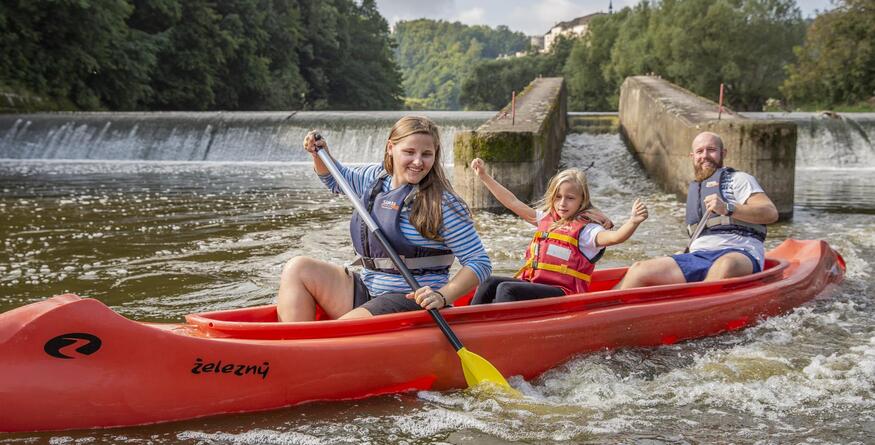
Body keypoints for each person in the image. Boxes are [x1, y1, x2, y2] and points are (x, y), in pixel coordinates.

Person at [276, 116, 491, 321]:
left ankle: (316, 348)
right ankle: (290, 348)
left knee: (338, 331)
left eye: (426, 154)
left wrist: (443, 296)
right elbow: (334, 179)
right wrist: (319, 154)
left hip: (411, 299)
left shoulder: (443, 203)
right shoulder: (376, 179)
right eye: (409, 152)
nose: (418, 161)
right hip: (369, 288)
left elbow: (479, 262)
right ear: (391, 148)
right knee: (298, 268)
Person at [469, 158, 648, 304]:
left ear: (582, 200)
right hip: (535, 286)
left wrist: (633, 222)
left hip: (564, 294)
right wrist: (484, 176)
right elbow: (512, 202)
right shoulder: (545, 219)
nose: (562, 203)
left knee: (505, 289)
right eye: (558, 197)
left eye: (570, 198)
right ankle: (469, 326)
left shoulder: (588, 231)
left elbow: (615, 237)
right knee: (488, 282)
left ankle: (501, 334)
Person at [617, 131, 779, 289]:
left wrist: (728, 208)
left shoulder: (739, 180)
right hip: (699, 256)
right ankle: (603, 310)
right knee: (639, 269)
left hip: (741, 252)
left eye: (712, 150)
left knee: (725, 265)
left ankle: (693, 309)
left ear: (723, 153)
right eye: (699, 151)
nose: (705, 156)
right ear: (692, 156)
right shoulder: (696, 189)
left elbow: (770, 213)